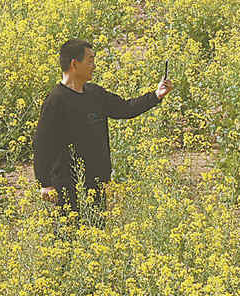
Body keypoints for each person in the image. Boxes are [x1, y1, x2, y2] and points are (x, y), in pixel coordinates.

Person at [33, 38, 173, 221]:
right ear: (74, 64)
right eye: (90, 60)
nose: (94, 65)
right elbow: (42, 144)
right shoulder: (56, 100)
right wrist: (45, 183)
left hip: (96, 185)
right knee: (69, 241)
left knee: (94, 239)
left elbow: (126, 108)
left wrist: (156, 96)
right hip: (67, 188)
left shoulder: (95, 94)